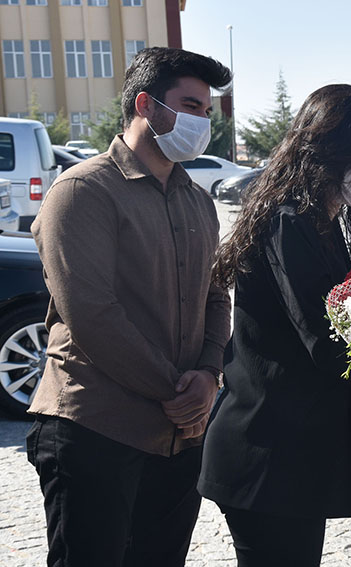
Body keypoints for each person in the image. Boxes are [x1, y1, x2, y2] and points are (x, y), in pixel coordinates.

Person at [26, 47, 232, 566]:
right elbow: (92, 314)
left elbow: (215, 295)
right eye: (190, 106)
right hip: (97, 427)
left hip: (177, 436)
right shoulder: (82, 191)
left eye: (207, 111)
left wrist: (209, 375)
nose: (202, 122)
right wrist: (178, 392)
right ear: (145, 105)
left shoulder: (196, 200)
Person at [198, 84, 351, 566]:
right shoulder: (289, 222)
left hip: (295, 451)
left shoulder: (326, 221)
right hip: (267, 452)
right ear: (335, 151)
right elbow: (325, 339)